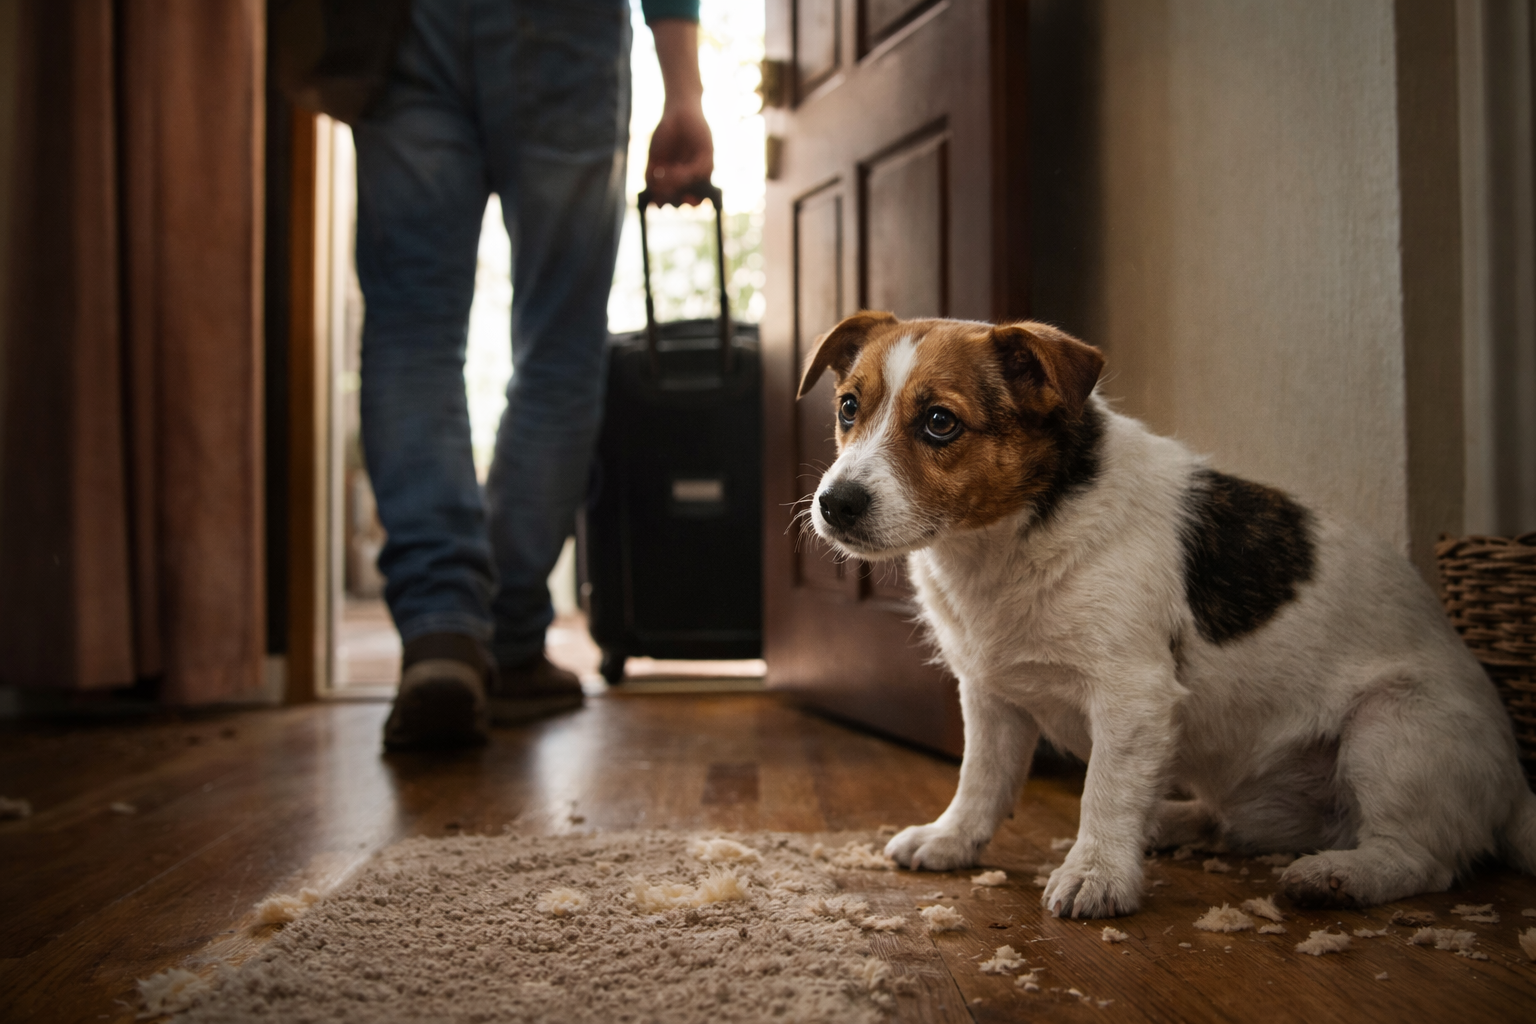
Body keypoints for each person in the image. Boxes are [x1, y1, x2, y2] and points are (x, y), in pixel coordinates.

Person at [351, 0, 714, 750]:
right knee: (559, 344)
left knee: (411, 332)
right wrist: (684, 90)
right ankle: (509, 641)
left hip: (406, 23)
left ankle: (444, 634)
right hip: (565, 28)